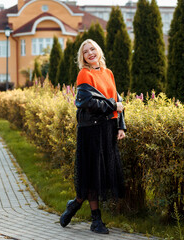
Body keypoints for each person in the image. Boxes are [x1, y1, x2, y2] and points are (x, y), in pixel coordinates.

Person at [59, 39, 126, 234]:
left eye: (92, 49)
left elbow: (117, 101)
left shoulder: (108, 73)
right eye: (85, 51)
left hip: (107, 129)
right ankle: (96, 220)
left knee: (101, 174)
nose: (90, 53)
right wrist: (113, 106)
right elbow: (88, 102)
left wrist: (121, 126)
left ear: (98, 51)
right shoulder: (84, 74)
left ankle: (75, 203)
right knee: (91, 174)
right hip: (90, 130)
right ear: (83, 57)